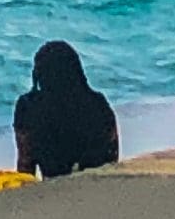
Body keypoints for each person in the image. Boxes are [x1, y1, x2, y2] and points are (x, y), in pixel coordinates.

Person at [14, 41, 120, 180]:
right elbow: (112, 153)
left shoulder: (28, 106)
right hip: (97, 179)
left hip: (53, 179)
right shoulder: (98, 102)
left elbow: (26, 162)